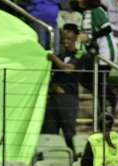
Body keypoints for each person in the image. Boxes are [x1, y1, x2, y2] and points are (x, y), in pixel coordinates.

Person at [43, 23, 84, 154]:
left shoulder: (79, 54)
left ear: (76, 38)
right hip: (53, 98)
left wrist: (53, 58)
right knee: (49, 131)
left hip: (68, 98)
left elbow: (68, 69)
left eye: (69, 39)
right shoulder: (60, 54)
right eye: (63, 39)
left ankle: (74, 160)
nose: (65, 42)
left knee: (69, 132)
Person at [77, 0, 118, 114]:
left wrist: (89, 37)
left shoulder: (97, 11)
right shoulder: (86, 13)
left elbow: (107, 29)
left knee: (99, 83)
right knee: (88, 80)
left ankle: (110, 100)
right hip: (96, 53)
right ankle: (106, 106)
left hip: (106, 51)